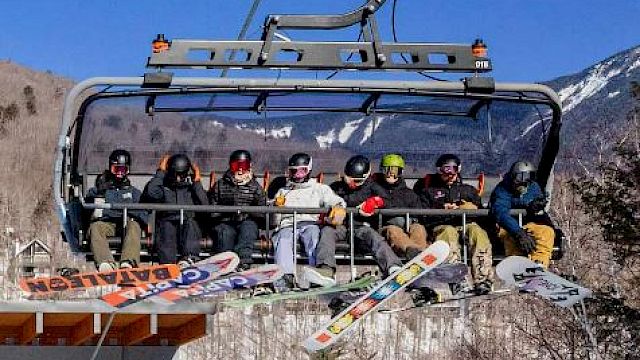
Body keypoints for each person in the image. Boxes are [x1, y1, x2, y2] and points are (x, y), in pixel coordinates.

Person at [413, 154, 493, 295]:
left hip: (465, 224)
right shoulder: (429, 192)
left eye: (453, 169)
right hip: (442, 225)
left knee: (478, 232)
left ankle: (483, 278)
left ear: (459, 170)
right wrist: (442, 210)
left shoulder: (468, 191)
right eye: (445, 170)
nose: (449, 174)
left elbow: (481, 213)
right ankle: (456, 278)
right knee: (448, 233)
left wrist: (466, 208)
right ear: (439, 170)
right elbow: (423, 215)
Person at [271, 153, 346, 289]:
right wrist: (277, 208)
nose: (298, 175)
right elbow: (275, 221)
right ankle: (286, 275)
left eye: (302, 171)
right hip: (288, 224)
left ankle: (317, 273)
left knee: (313, 237)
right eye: (294, 171)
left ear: (309, 170)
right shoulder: (284, 191)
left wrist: (339, 207)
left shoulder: (318, 188)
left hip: (309, 223)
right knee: (283, 238)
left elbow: (334, 200)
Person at [326, 155, 403, 278]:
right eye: (349, 180)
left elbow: (390, 202)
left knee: (372, 236)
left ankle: (392, 266)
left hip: (360, 226)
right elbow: (324, 199)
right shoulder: (336, 187)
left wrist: (375, 202)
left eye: (357, 181)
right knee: (326, 232)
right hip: (339, 225)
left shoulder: (373, 187)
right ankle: (325, 270)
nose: (352, 185)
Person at [85, 149, 148, 271]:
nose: (119, 173)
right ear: (110, 168)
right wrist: (99, 193)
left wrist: (127, 212)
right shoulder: (101, 190)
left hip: (126, 226)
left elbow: (143, 214)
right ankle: (105, 262)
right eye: (116, 169)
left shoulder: (133, 193)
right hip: (108, 225)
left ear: (128, 171)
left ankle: (128, 261)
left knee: (134, 225)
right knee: (95, 227)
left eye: (123, 170)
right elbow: (89, 211)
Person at [143, 153, 208, 268]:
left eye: (181, 175)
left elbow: (205, 205)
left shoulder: (191, 188)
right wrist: (160, 172)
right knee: (166, 226)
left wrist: (197, 182)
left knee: (191, 223)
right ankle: (168, 264)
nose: (178, 178)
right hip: (168, 227)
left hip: (187, 230)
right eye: (175, 174)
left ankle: (188, 259)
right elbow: (151, 193)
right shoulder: (164, 187)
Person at [489, 160, 555, 268]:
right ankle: (518, 265)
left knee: (546, 232)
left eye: (529, 177)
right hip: (509, 227)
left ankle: (539, 264)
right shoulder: (502, 190)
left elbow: (537, 199)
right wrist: (518, 232)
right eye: (520, 177)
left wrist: (534, 205)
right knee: (511, 239)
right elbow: (500, 213)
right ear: (513, 177)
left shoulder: (533, 187)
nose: (524, 182)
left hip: (529, 223)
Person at [208, 150, 266, 271]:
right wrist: (224, 213)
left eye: (243, 166)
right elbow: (212, 207)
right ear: (230, 166)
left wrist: (249, 213)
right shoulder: (221, 184)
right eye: (236, 166)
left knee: (248, 229)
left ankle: (243, 261)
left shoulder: (255, 186)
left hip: (247, 220)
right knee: (224, 232)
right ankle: (224, 262)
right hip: (225, 220)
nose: (240, 170)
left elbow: (262, 209)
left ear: (249, 166)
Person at [373, 153, 428, 258]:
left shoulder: (408, 194)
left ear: (400, 172)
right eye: (387, 170)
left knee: (418, 228)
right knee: (393, 230)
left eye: (395, 171)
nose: (390, 174)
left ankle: (420, 255)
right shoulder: (374, 190)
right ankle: (412, 252)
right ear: (382, 171)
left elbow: (420, 214)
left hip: (407, 226)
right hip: (384, 228)